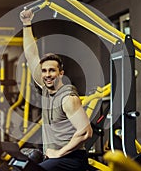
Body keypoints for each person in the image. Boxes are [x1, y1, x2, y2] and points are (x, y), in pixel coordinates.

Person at [19, 9, 93, 171]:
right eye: (44, 71)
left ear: (61, 73)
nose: (47, 75)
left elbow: (86, 132)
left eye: (52, 70)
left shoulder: (68, 98)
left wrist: (59, 153)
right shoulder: (46, 89)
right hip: (54, 156)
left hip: (72, 159)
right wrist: (26, 24)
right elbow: (31, 56)